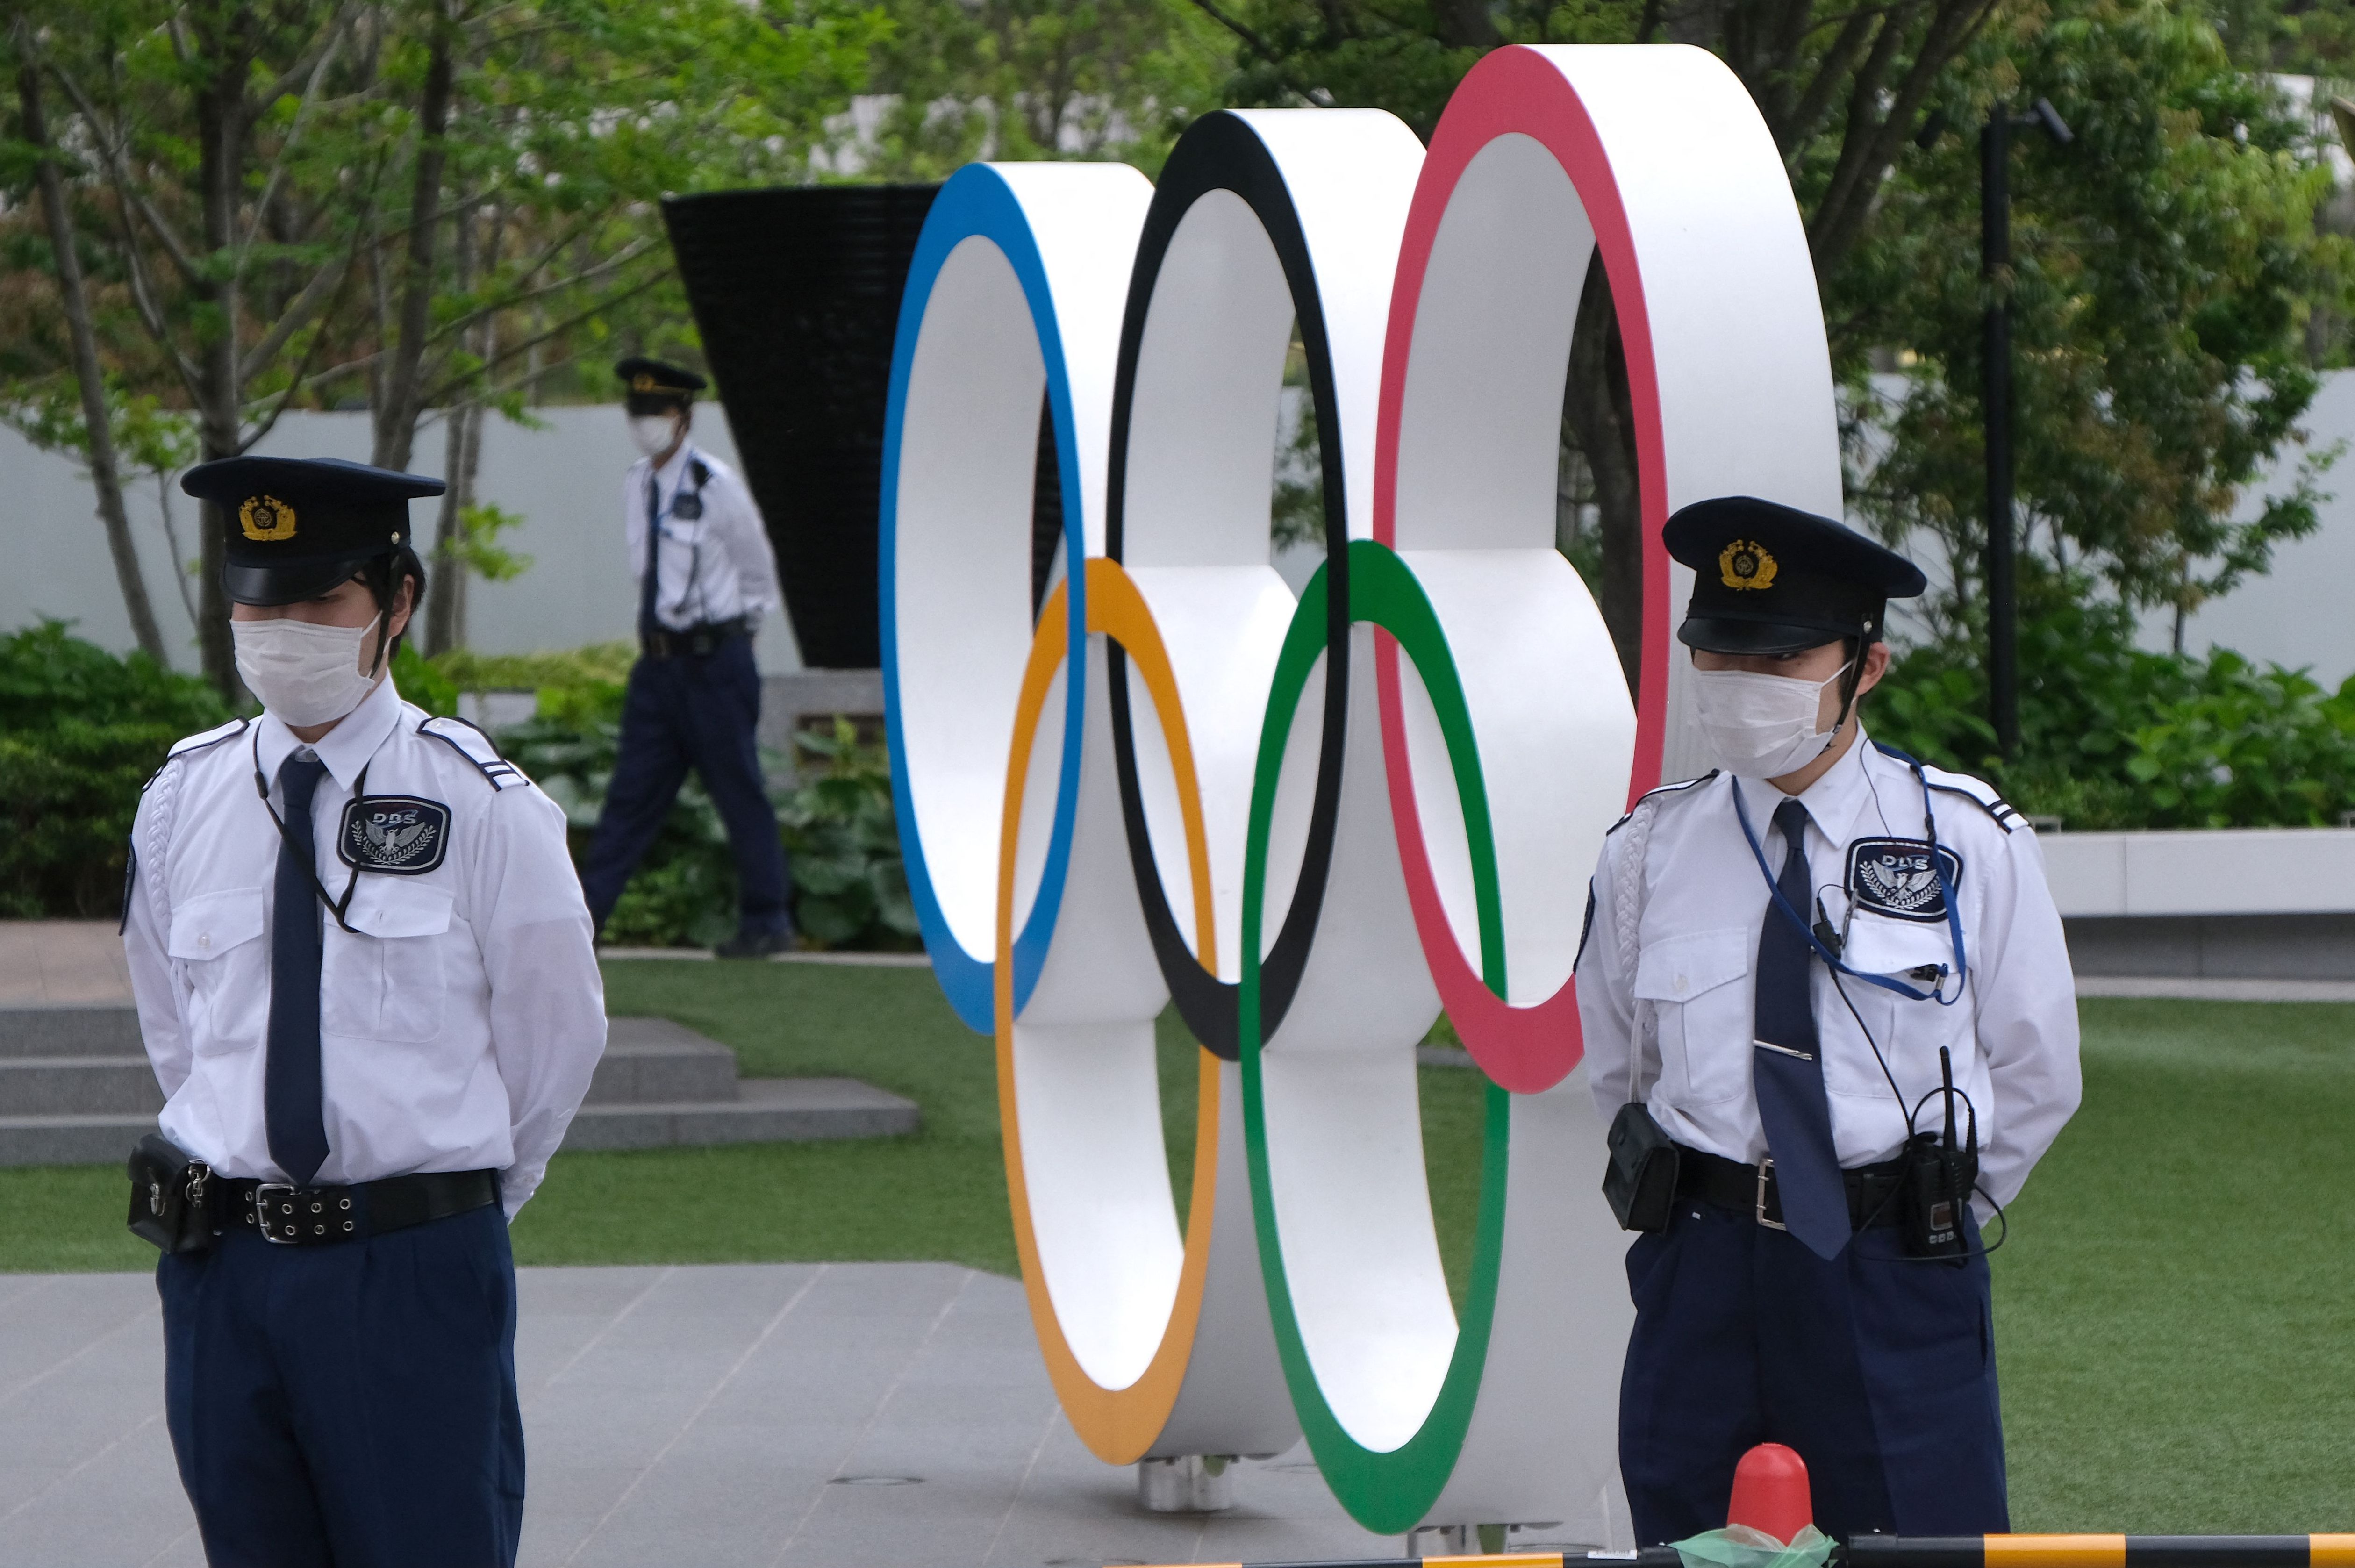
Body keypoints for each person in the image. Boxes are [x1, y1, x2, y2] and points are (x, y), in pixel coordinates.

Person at [122, 455, 607, 1568]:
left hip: (411, 1266)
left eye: (317, 601)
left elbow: (556, 1033)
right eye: (259, 601)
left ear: (396, 600)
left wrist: (457, 1201)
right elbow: (180, 1030)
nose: (281, 629)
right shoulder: (181, 801)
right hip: (225, 1271)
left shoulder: (481, 806)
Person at [1575, 495, 2081, 1543]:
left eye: (1781, 658)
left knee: (1917, 1540)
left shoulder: (1967, 842)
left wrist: (1918, 1211)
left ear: (1866, 667)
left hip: (1890, 1270)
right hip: (1701, 1274)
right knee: (1687, 1544)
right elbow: (1616, 1069)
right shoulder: (1643, 853)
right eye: (1717, 655)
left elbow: (2036, 1071)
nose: (1741, 686)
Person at [577, 356, 795, 958]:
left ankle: (768, 918)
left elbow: (757, 571)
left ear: (683, 417)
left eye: (657, 412)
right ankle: (582, 923)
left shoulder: (714, 484)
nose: (645, 424)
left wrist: (737, 640)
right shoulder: (636, 482)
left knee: (736, 788)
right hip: (658, 666)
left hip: (713, 661)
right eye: (637, 412)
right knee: (630, 795)